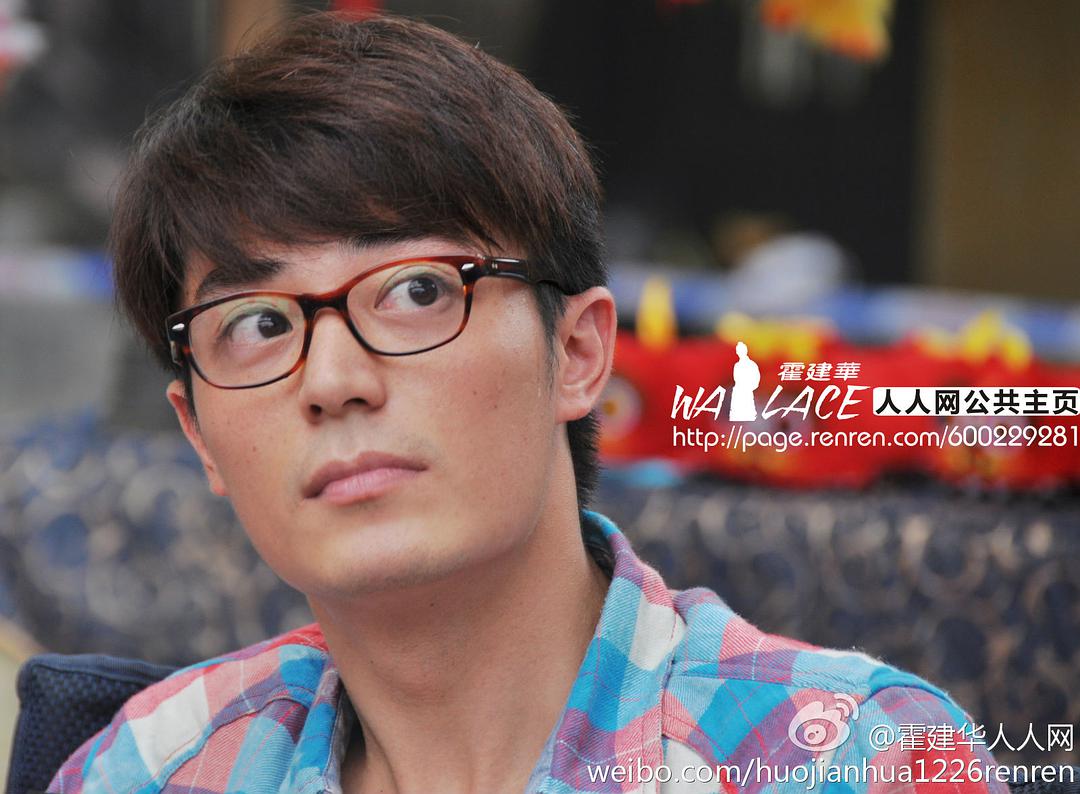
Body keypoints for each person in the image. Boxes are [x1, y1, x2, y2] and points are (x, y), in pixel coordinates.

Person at [50, 12, 1006, 794]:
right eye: (256, 323)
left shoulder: (854, 760)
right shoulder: (150, 769)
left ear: (579, 353)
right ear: (198, 435)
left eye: (417, 290)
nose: (334, 380)